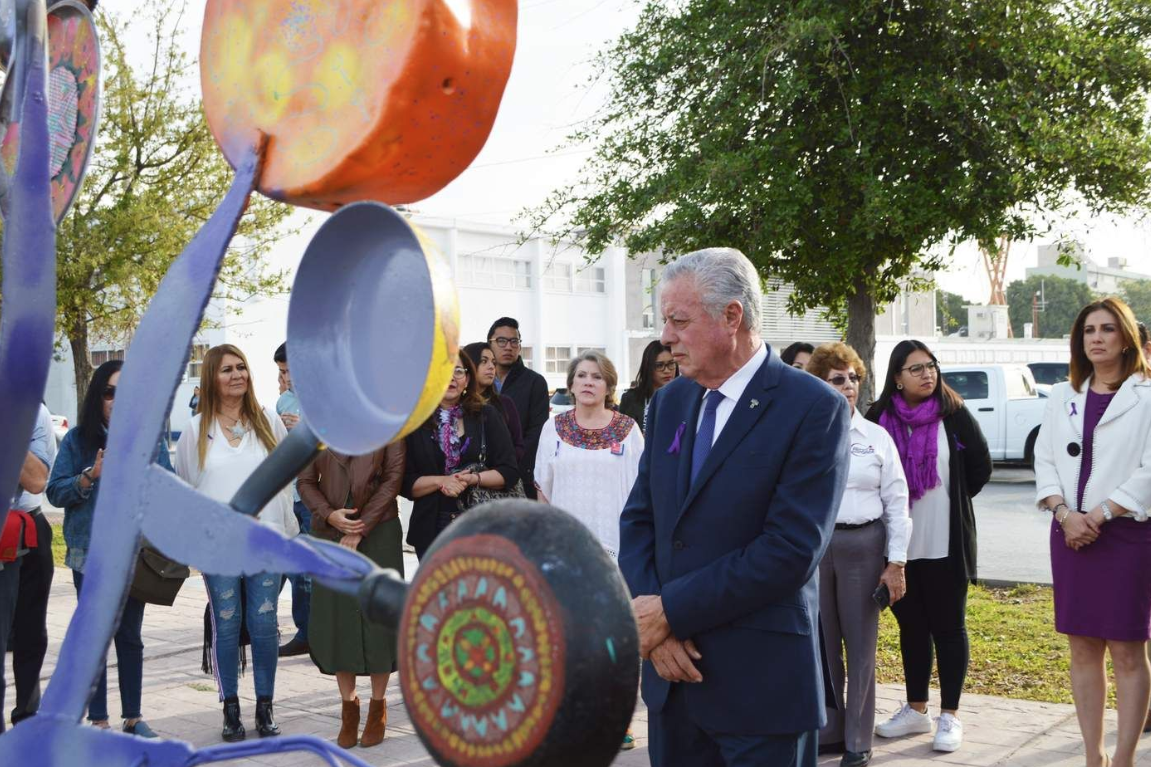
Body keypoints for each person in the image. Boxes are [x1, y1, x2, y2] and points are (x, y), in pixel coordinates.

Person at [618, 247, 851, 767]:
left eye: (679, 321)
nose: (666, 337)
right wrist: (654, 631)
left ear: (732, 316)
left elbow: (790, 550)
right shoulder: (670, 402)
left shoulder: (813, 408)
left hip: (760, 689)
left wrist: (670, 613)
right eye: (664, 321)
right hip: (672, 681)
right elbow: (640, 519)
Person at [1033, 297, 1151, 767]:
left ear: (1125, 338)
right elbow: (1043, 461)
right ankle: (1092, 756)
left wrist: (1098, 514)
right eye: (1088, 331)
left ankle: (1123, 757)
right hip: (1070, 535)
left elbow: (1149, 470)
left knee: (1126, 649)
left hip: (1125, 535)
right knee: (1082, 646)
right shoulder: (1063, 395)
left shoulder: (1147, 394)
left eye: (1106, 329)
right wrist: (1065, 514)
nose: (1096, 338)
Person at [867, 340, 991, 753]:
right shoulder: (878, 419)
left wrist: (944, 502)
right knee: (912, 628)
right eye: (915, 368)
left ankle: (950, 716)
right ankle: (916, 709)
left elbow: (979, 468)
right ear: (897, 379)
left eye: (931, 366)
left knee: (949, 627)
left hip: (944, 542)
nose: (927, 374)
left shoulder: (952, 415)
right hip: (897, 548)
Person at [175, 344, 298, 742]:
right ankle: (230, 710)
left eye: (241, 367)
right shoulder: (197, 429)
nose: (237, 375)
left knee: (263, 624)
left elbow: (287, 476)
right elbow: (187, 490)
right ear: (212, 377)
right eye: (227, 369)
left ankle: (265, 707)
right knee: (226, 624)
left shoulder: (267, 420)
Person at [46, 360, 171, 738]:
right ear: (98, 396)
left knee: (130, 636)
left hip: (135, 556)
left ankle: (133, 717)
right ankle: (97, 721)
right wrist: (90, 476)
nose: (118, 399)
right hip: (91, 555)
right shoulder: (77, 439)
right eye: (109, 392)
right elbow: (55, 491)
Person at [807, 343, 911, 767]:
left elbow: (897, 502)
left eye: (853, 378)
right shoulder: (806, 435)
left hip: (863, 547)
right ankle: (830, 728)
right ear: (819, 383)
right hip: (817, 547)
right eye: (837, 378)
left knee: (861, 646)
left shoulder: (877, 438)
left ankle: (857, 739)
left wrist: (897, 563)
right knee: (823, 644)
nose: (848, 386)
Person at [297, 440, 406, 749]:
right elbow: (304, 481)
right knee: (337, 616)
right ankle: (349, 708)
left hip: (379, 529)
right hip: (329, 532)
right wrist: (329, 515)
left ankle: (378, 707)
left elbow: (393, 479)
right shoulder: (319, 425)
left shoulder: (389, 424)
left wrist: (359, 528)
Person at [401, 351, 519, 559]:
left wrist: (473, 479)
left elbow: (509, 472)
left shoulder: (486, 415)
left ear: (467, 379)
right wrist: (442, 481)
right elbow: (404, 483)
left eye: (457, 371)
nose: (451, 377)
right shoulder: (415, 422)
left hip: (482, 524)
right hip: (431, 528)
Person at [535, 350, 643, 559]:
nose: (588, 382)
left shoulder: (629, 430)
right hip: (563, 543)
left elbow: (640, 491)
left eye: (597, 377)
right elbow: (543, 488)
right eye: (581, 375)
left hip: (616, 543)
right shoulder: (552, 428)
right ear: (571, 385)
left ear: (609, 387)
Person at [0, 420, 51, 733]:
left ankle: (28, 720)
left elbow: (36, 480)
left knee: (31, 635)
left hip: (28, 528)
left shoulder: (32, 411)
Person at [273, 342, 310, 658]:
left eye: (289, 371)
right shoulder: (283, 401)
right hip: (289, 494)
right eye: (283, 372)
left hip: (315, 494)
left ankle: (309, 632)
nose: (286, 377)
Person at [487, 317, 548, 498]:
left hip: (521, 475)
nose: (508, 347)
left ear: (520, 346)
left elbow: (536, 432)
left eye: (514, 341)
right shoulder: (480, 382)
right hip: (483, 476)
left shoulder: (534, 382)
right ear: (489, 344)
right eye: (501, 341)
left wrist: (508, 466)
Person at [463, 341, 525, 463]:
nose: (491, 367)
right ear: (469, 365)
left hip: (498, 476)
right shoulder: (456, 405)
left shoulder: (504, 403)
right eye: (484, 361)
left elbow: (518, 446)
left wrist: (501, 466)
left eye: (493, 362)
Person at [618, 340, 678, 434]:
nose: (667, 370)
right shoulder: (630, 399)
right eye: (659, 365)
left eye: (671, 364)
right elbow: (621, 436)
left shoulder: (685, 397)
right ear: (648, 368)